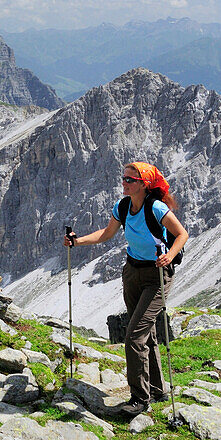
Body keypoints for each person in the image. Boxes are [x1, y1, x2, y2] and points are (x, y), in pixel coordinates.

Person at [63, 162, 189, 418]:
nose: (124, 183)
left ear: (144, 184)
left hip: (157, 275)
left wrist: (170, 256)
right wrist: (77, 241)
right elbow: (106, 234)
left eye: (130, 180)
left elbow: (181, 234)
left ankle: (139, 399)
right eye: (123, 178)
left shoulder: (156, 208)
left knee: (134, 336)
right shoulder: (122, 206)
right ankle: (156, 389)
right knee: (146, 332)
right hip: (132, 272)